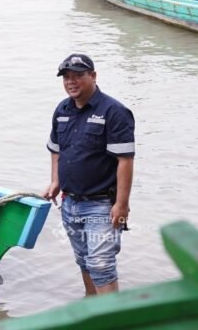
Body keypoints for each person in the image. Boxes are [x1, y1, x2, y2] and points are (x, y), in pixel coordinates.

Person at [43, 53, 135, 295]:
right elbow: (56, 149)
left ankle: (111, 314)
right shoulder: (62, 110)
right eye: (66, 77)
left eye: (78, 75)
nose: (71, 82)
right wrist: (55, 181)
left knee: (101, 265)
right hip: (70, 203)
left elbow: (125, 160)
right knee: (84, 261)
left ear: (93, 76)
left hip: (103, 205)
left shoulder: (114, 111)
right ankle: (92, 305)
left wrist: (122, 205)